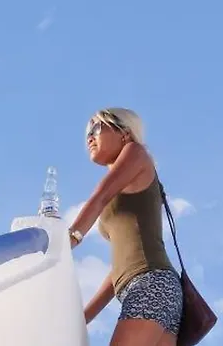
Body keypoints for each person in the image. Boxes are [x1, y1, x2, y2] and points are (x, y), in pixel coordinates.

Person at [68, 107, 183, 346]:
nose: (89, 137)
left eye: (96, 127)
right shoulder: (124, 185)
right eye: (87, 132)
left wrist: (69, 239)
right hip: (152, 289)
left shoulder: (136, 152)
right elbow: (120, 269)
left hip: (151, 284)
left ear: (125, 133)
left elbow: (100, 196)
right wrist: (83, 318)